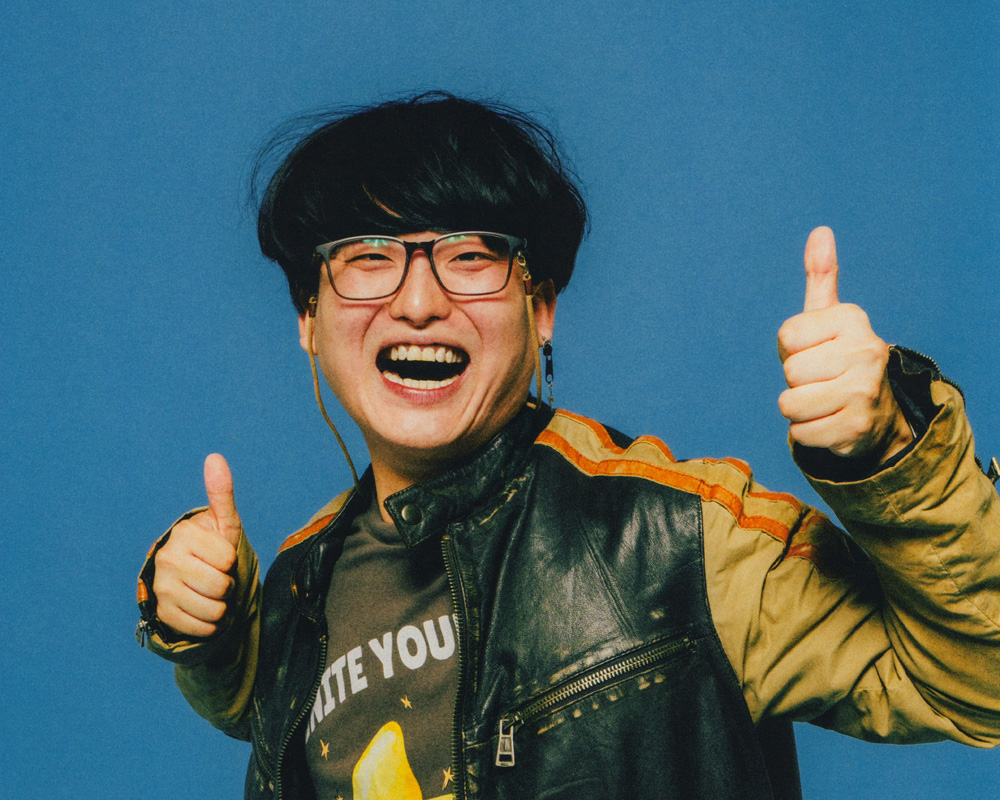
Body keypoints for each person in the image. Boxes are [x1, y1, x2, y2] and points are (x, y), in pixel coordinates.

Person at [136, 92, 1000, 800]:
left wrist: (889, 454)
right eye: (368, 257)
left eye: (469, 255)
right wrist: (208, 629)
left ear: (540, 306)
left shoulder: (677, 542)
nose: (419, 302)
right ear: (308, 319)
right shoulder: (304, 580)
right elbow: (257, 706)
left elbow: (978, 685)